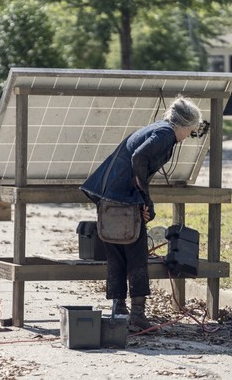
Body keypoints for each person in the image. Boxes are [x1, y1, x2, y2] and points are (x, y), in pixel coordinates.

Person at [80, 95, 202, 332]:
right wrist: (144, 198)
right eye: (191, 130)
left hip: (108, 195)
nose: (189, 135)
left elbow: (138, 161)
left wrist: (142, 199)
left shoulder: (157, 128)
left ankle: (119, 311)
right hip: (121, 197)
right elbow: (139, 157)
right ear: (184, 125)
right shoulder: (166, 133)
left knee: (116, 253)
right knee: (136, 257)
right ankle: (137, 315)